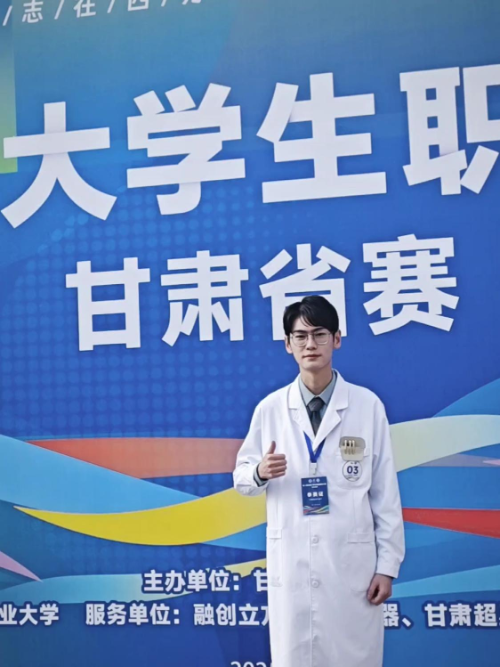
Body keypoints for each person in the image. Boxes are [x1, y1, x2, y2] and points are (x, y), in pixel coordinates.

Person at [233, 295, 405, 667]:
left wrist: (387, 566)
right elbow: (241, 479)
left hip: (351, 569)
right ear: (288, 344)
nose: (310, 344)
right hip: (293, 566)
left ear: (337, 339)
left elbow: (385, 493)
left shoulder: (367, 406)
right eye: (300, 336)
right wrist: (260, 471)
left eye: (319, 334)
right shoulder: (270, 409)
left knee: (352, 656)